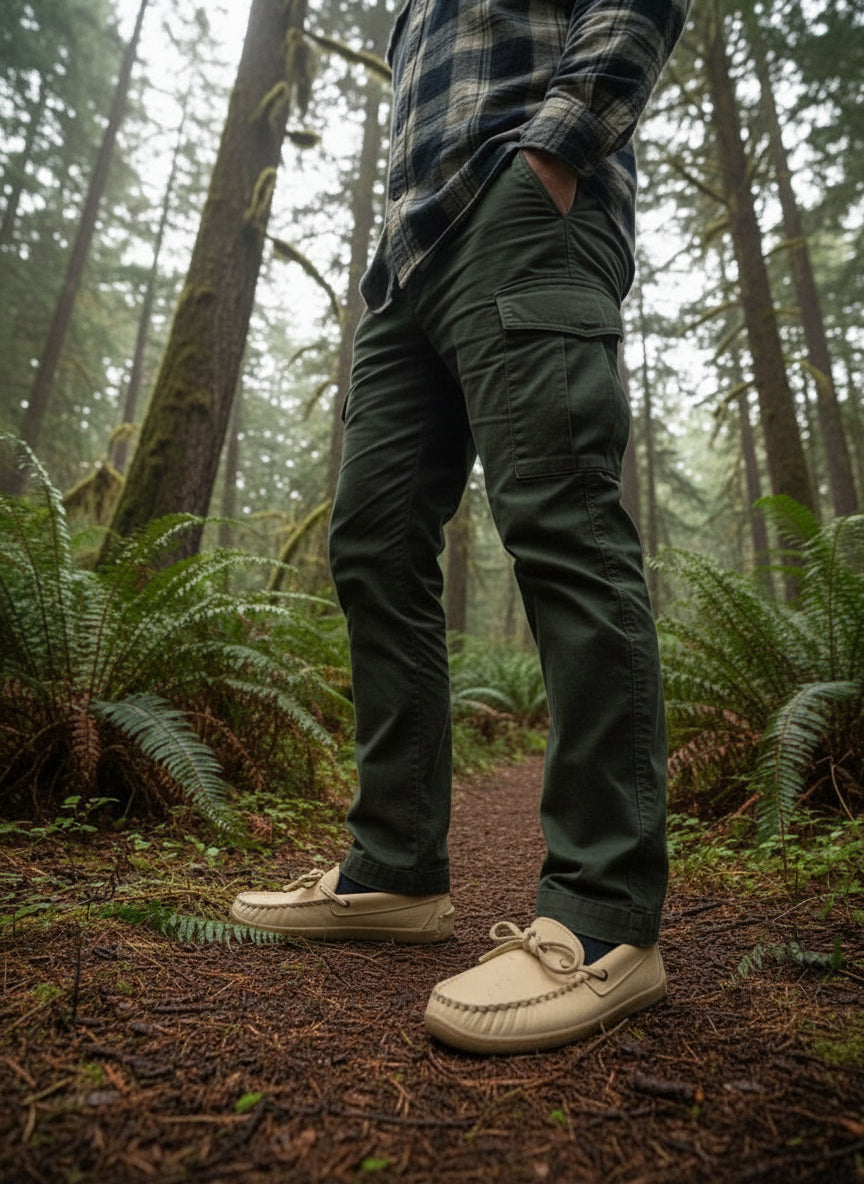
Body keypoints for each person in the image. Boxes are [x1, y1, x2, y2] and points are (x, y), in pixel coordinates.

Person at [232, 0, 691, 1055]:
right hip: (408, 269)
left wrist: (555, 151)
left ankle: (605, 917)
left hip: (521, 208)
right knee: (371, 542)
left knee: (563, 523)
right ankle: (394, 868)